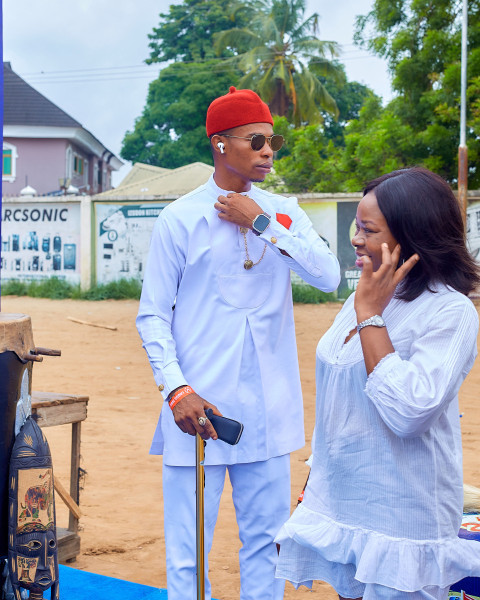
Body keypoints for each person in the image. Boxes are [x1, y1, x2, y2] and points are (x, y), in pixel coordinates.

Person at [136, 86, 341, 600]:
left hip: (269, 414)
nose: (268, 151)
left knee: (268, 549)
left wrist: (261, 222)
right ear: (220, 144)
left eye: (273, 141)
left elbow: (329, 276)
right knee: (187, 554)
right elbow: (153, 316)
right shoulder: (179, 219)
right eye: (256, 140)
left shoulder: (282, 212)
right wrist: (176, 389)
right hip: (197, 412)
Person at [275, 167, 480, 600]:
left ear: (411, 235)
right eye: (356, 225)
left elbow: (409, 411)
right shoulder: (363, 295)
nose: (356, 238)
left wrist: (370, 314)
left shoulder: (451, 311)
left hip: (403, 517)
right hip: (345, 504)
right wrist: (316, 486)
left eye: (369, 229)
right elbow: (340, 401)